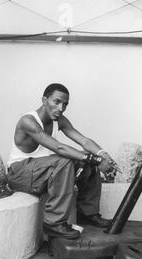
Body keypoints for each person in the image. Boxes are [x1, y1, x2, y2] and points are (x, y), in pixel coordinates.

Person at [7, 83, 118, 239]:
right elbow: (58, 148)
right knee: (67, 160)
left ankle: (88, 213)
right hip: (19, 174)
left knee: (86, 159)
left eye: (65, 104)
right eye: (56, 102)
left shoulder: (58, 120)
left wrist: (102, 154)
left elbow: (84, 141)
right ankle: (53, 223)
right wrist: (95, 159)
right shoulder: (28, 121)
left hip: (43, 170)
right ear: (44, 100)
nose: (60, 108)